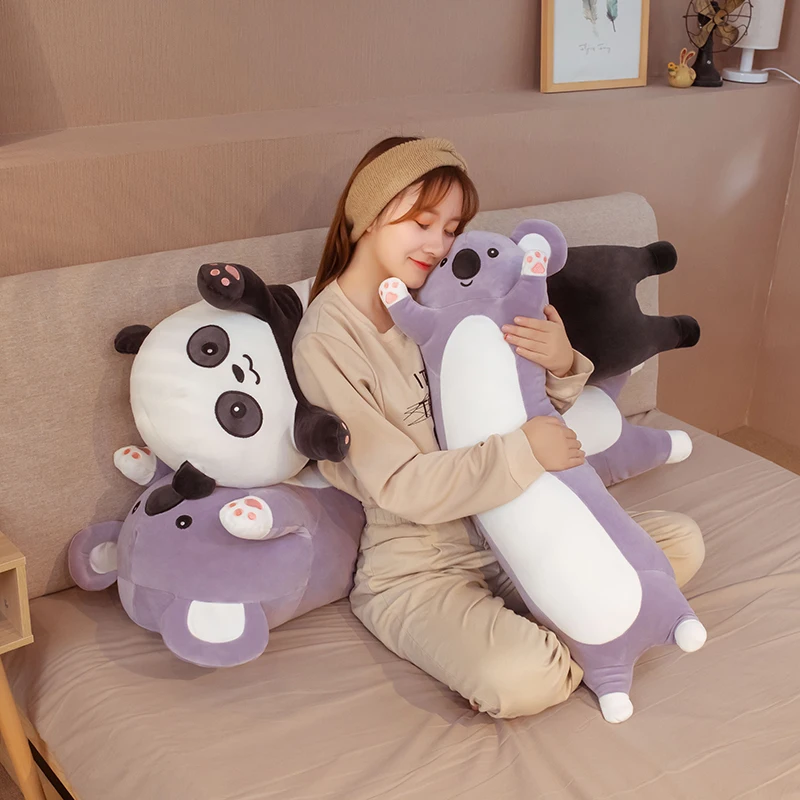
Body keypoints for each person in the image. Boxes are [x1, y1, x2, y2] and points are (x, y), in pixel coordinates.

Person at [292, 136, 705, 718]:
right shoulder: (327, 339)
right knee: (523, 677)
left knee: (680, 544)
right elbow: (399, 484)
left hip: (514, 523)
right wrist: (524, 453)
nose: (438, 245)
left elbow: (521, 406)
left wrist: (560, 362)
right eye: (421, 222)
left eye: (451, 228)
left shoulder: (451, 292)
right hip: (420, 560)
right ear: (368, 213)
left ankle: (577, 620)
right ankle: (582, 637)